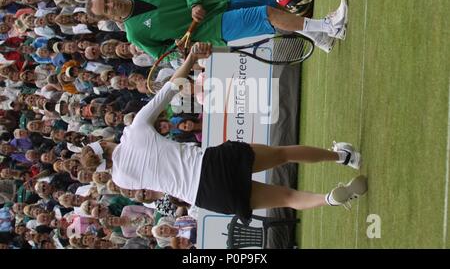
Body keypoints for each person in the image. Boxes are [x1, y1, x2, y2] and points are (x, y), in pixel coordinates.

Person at [80, 42, 368, 224]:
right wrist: (192, 57)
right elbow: (171, 87)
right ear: (103, 145)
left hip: (207, 196)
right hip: (211, 163)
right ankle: (342, 155)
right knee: (284, 154)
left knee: (289, 198)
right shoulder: (135, 130)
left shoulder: (120, 179)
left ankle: (328, 199)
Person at [86, 0, 347, 58]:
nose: (111, 4)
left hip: (216, 5)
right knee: (268, 15)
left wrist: (193, 2)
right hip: (214, 31)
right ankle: (330, 26)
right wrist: (181, 49)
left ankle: (321, 39)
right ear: (110, 18)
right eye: (105, 8)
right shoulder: (135, 34)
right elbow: (163, 55)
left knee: (272, 6)